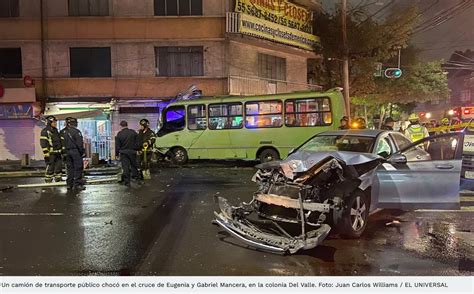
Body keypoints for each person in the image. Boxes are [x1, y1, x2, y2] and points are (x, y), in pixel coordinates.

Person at [60, 117, 86, 191]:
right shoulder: (76, 132)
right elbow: (79, 144)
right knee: (78, 167)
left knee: (69, 168)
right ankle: (77, 184)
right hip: (75, 152)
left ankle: (69, 184)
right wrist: (82, 152)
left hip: (66, 152)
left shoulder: (62, 132)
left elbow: (60, 143)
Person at [40, 115, 63, 183]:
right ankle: (48, 180)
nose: (55, 124)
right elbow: (43, 143)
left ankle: (58, 179)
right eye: (54, 122)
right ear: (49, 123)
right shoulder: (45, 131)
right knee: (50, 167)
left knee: (59, 167)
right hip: (51, 153)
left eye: (55, 122)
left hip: (58, 152)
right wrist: (46, 154)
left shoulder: (55, 130)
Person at [115, 120, 139, 187]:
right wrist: (136, 150)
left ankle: (127, 182)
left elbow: (117, 146)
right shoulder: (133, 132)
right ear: (127, 125)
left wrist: (117, 154)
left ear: (121, 126)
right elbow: (137, 143)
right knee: (134, 166)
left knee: (125, 167)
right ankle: (136, 179)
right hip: (132, 152)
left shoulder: (119, 134)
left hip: (124, 153)